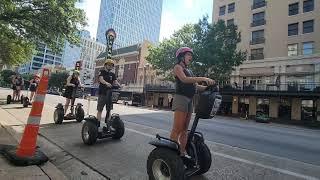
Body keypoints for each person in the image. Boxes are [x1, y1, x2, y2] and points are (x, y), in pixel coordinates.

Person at [170, 47, 215, 156]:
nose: (191, 57)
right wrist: (203, 78)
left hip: (190, 100)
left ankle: (181, 151)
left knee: (185, 129)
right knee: (177, 128)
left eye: (191, 55)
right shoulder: (177, 67)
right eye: (188, 55)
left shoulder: (189, 70)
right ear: (181, 56)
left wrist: (208, 87)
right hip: (181, 98)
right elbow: (184, 79)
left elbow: (195, 87)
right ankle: (171, 153)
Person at [96, 59, 120, 131]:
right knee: (100, 110)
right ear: (105, 65)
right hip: (102, 93)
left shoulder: (112, 74)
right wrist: (106, 83)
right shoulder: (102, 71)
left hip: (110, 94)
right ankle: (97, 125)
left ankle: (108, 126)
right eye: (108, 65)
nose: (110, 66)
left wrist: (120, 85)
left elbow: (115, 82)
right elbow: (101, 79)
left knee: (109, 110)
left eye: (111, 65)